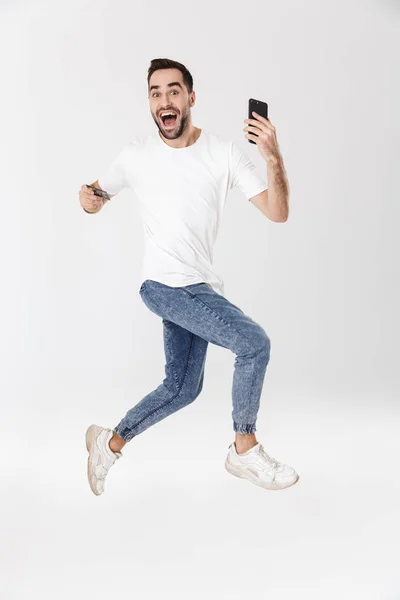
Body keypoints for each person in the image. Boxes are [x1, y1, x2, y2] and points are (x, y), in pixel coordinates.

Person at [81, 58, 299, 496]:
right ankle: (244, 448)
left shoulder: (222, 153)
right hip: (162, 284)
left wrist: (272, 155)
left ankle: (109, 442)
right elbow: (94, 197)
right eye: (156, 92)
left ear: (190, 99)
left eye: (174, 91)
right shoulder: (135, 155)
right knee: (253, 343)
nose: (165, 100)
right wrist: (89, 198)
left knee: (182, 388)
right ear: (150, 102)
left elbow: (278, 212)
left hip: (198, 286)